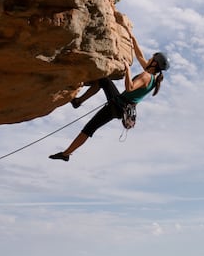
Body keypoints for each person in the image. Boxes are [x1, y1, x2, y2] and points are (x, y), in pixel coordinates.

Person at [49, 33, 169, 162]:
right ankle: (77, 104)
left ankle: (67, 152)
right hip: (121, 107)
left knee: (89, 127)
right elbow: (140, 56)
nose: (149, 58)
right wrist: (133, 40)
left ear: (155, 63)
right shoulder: (153, 79)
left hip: (118, 105)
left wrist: (128, 70)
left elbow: (130, 87)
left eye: (152, 58)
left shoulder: (146, 76)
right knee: (103, 82)